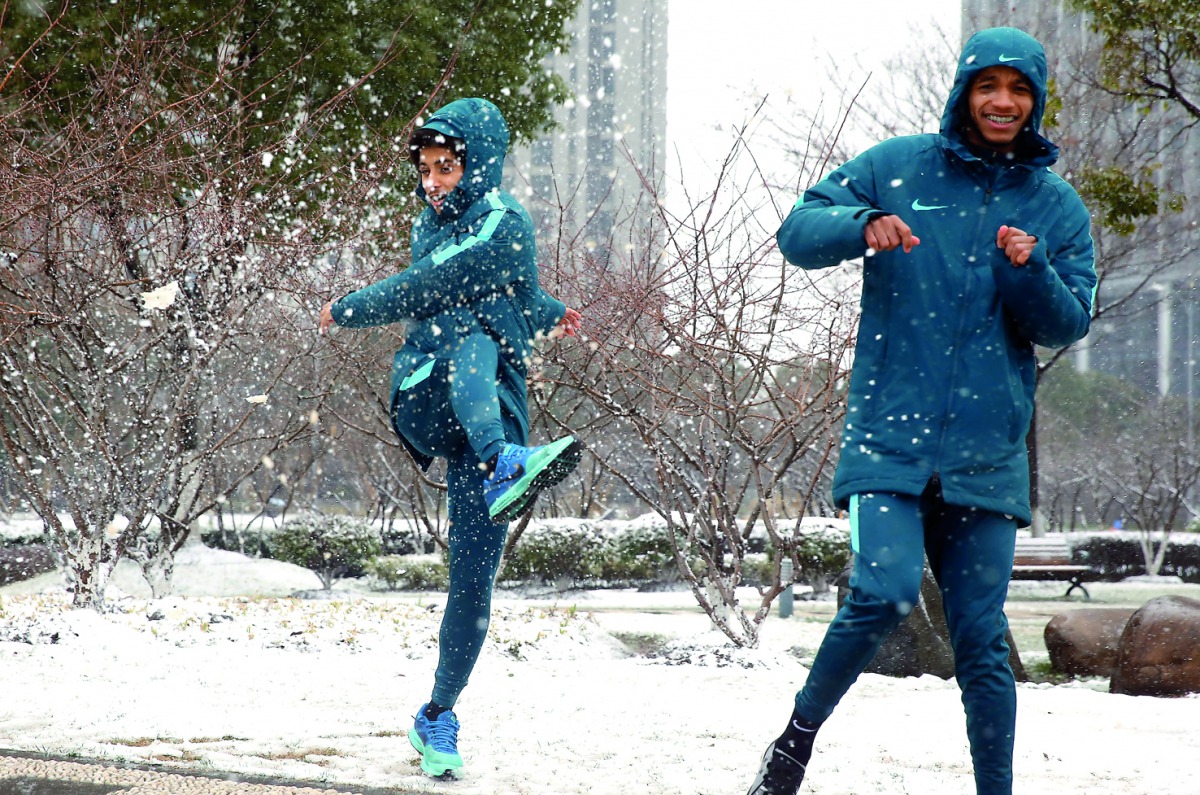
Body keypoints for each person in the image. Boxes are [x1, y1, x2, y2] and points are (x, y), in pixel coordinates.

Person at [748, 27, 1096, 795]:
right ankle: (792, 748)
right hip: (889, 439)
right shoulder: (897, 167)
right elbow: (797, 232)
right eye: (987, 86)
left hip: (986, 454)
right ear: (964, 93)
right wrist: (858, 225)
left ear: (1035, 101)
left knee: (980, 643)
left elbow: (1066, 322)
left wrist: (1029, 268)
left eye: (1019, 89)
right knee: (883, 590)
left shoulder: (1056, 206)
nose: (1002, 101)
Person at [319, 97, 582, 780]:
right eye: (426, 168)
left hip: (490, 408)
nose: (432, 182)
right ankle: (505, 462)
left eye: (446, 167)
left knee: (472, 582)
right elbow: (430, 286)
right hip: (428, 393)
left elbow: (519, 294)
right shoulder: (435, 231)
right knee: (467, 325)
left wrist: (552, 312)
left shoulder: (503, 222)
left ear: (479, 165)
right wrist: (349, 309)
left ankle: (437, 711)